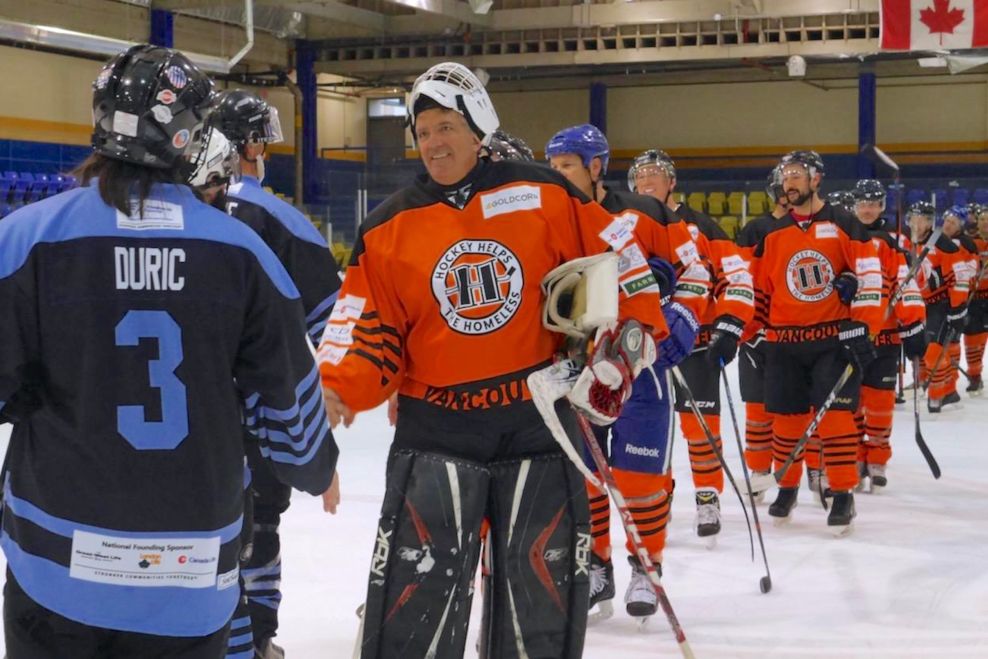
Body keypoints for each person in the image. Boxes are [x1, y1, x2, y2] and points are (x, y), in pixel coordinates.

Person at [0, 44, 338, 659]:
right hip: (190, 571)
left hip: (55, 563)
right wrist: (316, 468)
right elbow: (296, 431)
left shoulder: (24, 238)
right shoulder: (243, 252)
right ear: (192, 134)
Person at [318, 62, 666, 659]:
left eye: (446, 126)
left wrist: (622, 353)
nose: (432, 142)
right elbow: (365, 324)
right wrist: (336, 387)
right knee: (414, 613)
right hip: (436, 432)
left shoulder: (547, 193)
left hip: (536, 426)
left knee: (539, 615)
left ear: (478, 126)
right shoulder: (387, 226)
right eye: (422, 131)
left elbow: (623, 268)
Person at [545, 125, 710, 620]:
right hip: (578, 369)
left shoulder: (643, 214)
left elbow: (696, 270)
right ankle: (598, 565)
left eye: (567, 165)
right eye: (552, 168)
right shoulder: (547, 217)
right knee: (589, 475)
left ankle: (645, 563)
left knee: (640, 476)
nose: (559, 177)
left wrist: (680, 317)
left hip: (640, 364)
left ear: (596, 167)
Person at [209, 89, 343, 659]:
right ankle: (257, 637)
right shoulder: (278, 215)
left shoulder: (180, 207)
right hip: (263, 413)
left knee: (210, 534)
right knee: (261, 524)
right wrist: (336, 393)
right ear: (251, 147)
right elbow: (334, 323)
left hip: (195, 417)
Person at [746, 150, 885, 535]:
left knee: (838, 419)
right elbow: (757, 290)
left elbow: (871, 279)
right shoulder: (770, 232)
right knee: (787, 421)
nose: (788, 182)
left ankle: (842, 494)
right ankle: (787, 487)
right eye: (784, 176)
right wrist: (748, 332)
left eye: (796, 175)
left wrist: (864, 325)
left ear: (816, 179)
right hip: (784, 342)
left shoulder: (845, 224)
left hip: (832, 341)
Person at [628, 147, 755, 544]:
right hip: (644, 349)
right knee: (652, 433)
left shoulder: (703, 226)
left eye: (655, 172)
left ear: (672, 181)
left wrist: (730, 323)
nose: (646, 179)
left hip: (694, 343)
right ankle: (657, 499)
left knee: (702, 427)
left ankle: (707, 496)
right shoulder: (623, 222)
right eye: (639, 173)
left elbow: (736, 277)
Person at [849, 179, 927, 493]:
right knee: (851, 404)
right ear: (854, 206)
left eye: (873, 203)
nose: (867, 209)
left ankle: (878, 458)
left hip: (885, 339)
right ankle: (854, 457)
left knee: (880, 404)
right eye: (862, 203)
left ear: (882, 206)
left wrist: (913, 328)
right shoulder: (844, 235)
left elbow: (906, 287)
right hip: (852, 338)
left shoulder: (896, 242)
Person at [734, 165, 789, 501]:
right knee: (757, 408)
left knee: (793, 409)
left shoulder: (808, 228)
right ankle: (757, 470)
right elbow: (741, 282)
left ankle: (803, 472)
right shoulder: (755, 229)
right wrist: (748, 329)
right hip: (756, 336)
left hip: (795, 337)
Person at [907, 202, 970, 412]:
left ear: (929, 221)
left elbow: (960, 278)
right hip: (919, 306)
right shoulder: (908, 243)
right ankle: (949, 390)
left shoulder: (944, 244)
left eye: (921, 219)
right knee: (925, 351)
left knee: (933, 352)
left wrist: (957, 309)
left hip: (940, 306)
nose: (916, 223)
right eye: (913, 218)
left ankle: (936, 397)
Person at [939, 205, 980, 405]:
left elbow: (972, 270)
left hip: (956, 301)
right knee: (935, 344)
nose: (947, 225)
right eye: (946, 221)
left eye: (953, 223)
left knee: (951, 342)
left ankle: (950, 386)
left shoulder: (966, 243)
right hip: (935, 300)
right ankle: (936, 382)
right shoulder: (936, 239)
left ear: (960, 226)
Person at [965, 204, 988, 394]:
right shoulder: (970, 242)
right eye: (982, 220)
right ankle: (975, 375)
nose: (985, 224)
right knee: (973, 338)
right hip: (975, 298)